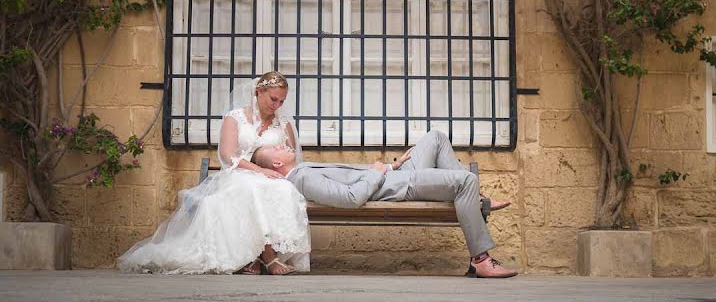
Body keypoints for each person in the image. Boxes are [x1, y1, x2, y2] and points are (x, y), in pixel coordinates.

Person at [118, 71, 310, 275]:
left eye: (281, 101)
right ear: (258, 91)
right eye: (273, 99)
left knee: (282, 189)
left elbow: (291, 156)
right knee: (251, 187)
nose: (277, 105)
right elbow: (228, 156)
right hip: (239, 173)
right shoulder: (235, 117)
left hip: (271, 177)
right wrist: (258, 169)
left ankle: (256, 256)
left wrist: (274, 167)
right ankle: (266, 256)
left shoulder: (283, 124)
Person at [254, 129, 517, 278]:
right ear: (277, 164)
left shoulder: (303, 168)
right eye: (277, 148)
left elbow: (352, 176)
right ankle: (480, 260)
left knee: (435, 137)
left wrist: (391, 166)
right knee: (466, 180)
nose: (282, 145)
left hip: (395, 176)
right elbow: (351, 198)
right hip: (399, 187)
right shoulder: (303, 178)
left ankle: (476, 199)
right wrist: (379, 173)